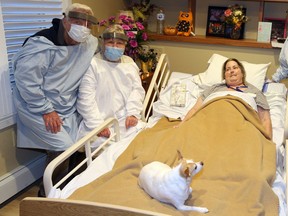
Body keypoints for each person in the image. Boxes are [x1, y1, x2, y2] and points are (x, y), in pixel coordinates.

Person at [12, 3, 98, 197]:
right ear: (65, 21)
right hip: (37, 105)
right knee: (63, 148)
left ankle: (69, 189)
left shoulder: (90, 43)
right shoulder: (41, 45)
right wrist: (46, 109)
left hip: (68, 104)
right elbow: (27, 82)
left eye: (87, 24)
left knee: (81, 142)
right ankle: (47, 198)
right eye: (77, 21)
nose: (83, 27)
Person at [76, 24, 145, 144]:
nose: (115, 46)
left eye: (119, 43)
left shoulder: (129, 63)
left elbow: (137, 90)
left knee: (144, 136)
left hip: (125, 120)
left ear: (125, 45)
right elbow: (85, 99)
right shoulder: (93, 64)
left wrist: (133, 113)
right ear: (103, 43)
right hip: (100, 123)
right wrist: (98, 125)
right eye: (110, 42)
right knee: (112, 150)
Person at [175, 58, 273, 140]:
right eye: (227, 69)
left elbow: (264, 119)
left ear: (242, 73)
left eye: (235, 68)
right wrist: (182, 124)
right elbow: (196, 109)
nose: (231, 71)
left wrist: (267, 141)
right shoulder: (213, 89)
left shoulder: (255, 92)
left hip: (238, 125)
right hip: (209, 121)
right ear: (225, 76)